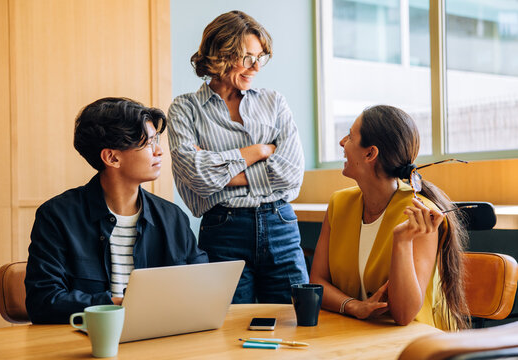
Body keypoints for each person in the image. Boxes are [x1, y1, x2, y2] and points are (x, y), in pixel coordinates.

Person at [25, 97, 208, 324]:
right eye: (148, 143)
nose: (159, 151)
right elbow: (43, 302)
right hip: (89, 340)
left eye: (157, 140)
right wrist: (118, 304)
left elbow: (203, 287)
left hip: (159, 338)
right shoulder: (57, 216)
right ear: (112, 157)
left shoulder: (173, 217)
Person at [167, 10, 308, 304]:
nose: (256, 66)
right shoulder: (184, 109)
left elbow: (291, 172)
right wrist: (258, 151)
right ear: (220, 55)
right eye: (247, 57)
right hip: (223, 229)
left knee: (294, 320)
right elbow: (198, 178)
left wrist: (218, 164)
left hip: (280, 221)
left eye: (260, 57)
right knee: (227, 327)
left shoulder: (274, 102)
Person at [310, 105, 469, 330]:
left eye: (351, 136)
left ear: (370, 153)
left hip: (416, 343)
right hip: (356, 334)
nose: (342, 142)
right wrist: (354, 306)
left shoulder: (420, 214)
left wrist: (402, 241)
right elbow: (317, 281)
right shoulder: (339, 204)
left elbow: (404, 315)